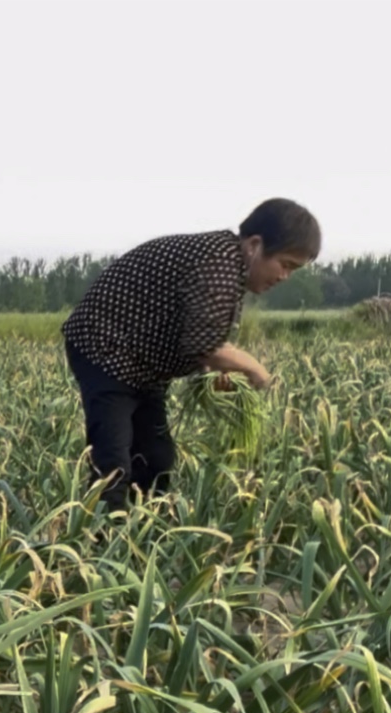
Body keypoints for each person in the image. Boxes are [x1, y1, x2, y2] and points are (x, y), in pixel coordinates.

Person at [60, 198, 320, 510]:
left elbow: (198, 338)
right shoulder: (218, 262)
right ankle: (99, 544)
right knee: (114, 463)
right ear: (254, 244)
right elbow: (202, 344)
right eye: (286, 264)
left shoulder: (229, 268)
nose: (284, 276)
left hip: (143, 364)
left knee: (156, 457)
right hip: (105, 349)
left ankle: (143, 536)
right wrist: (254, 370)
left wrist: (214, 372)